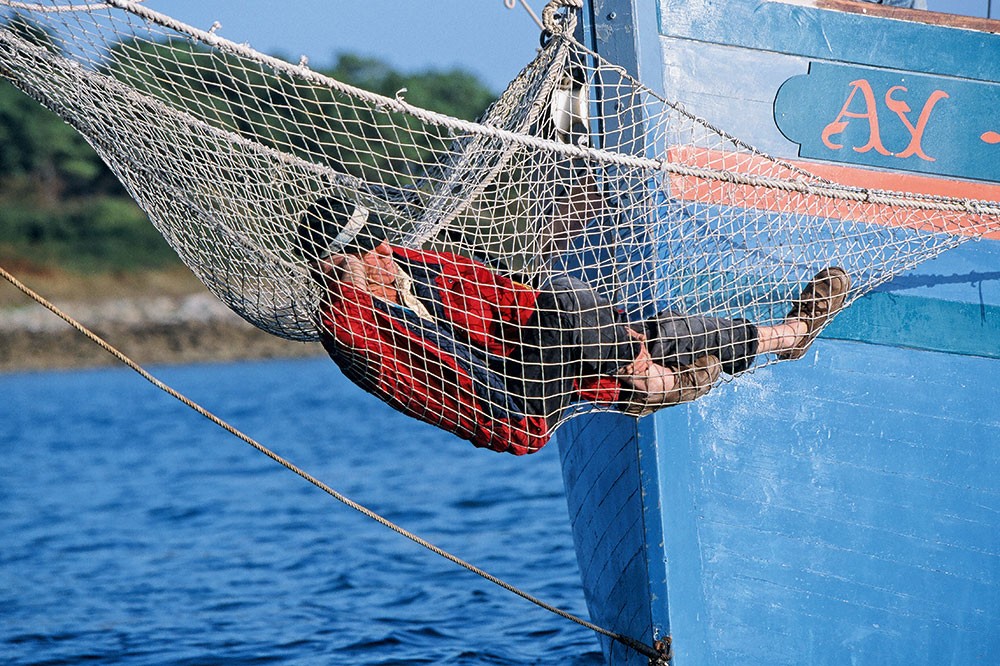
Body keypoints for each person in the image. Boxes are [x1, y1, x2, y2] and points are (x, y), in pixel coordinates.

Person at [299, 196, 851, 455]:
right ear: (335, 267)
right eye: (363, 253)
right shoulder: (348, 321)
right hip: (508, 408)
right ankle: (653, 384)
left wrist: (610, 340)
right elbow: (348, 323)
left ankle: (789, 335)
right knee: (571, 300)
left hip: (540, 367)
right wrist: (343, 277)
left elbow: (517, 302)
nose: (381, 254)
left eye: (378, 242)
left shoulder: (421, 269)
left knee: (647, 329)